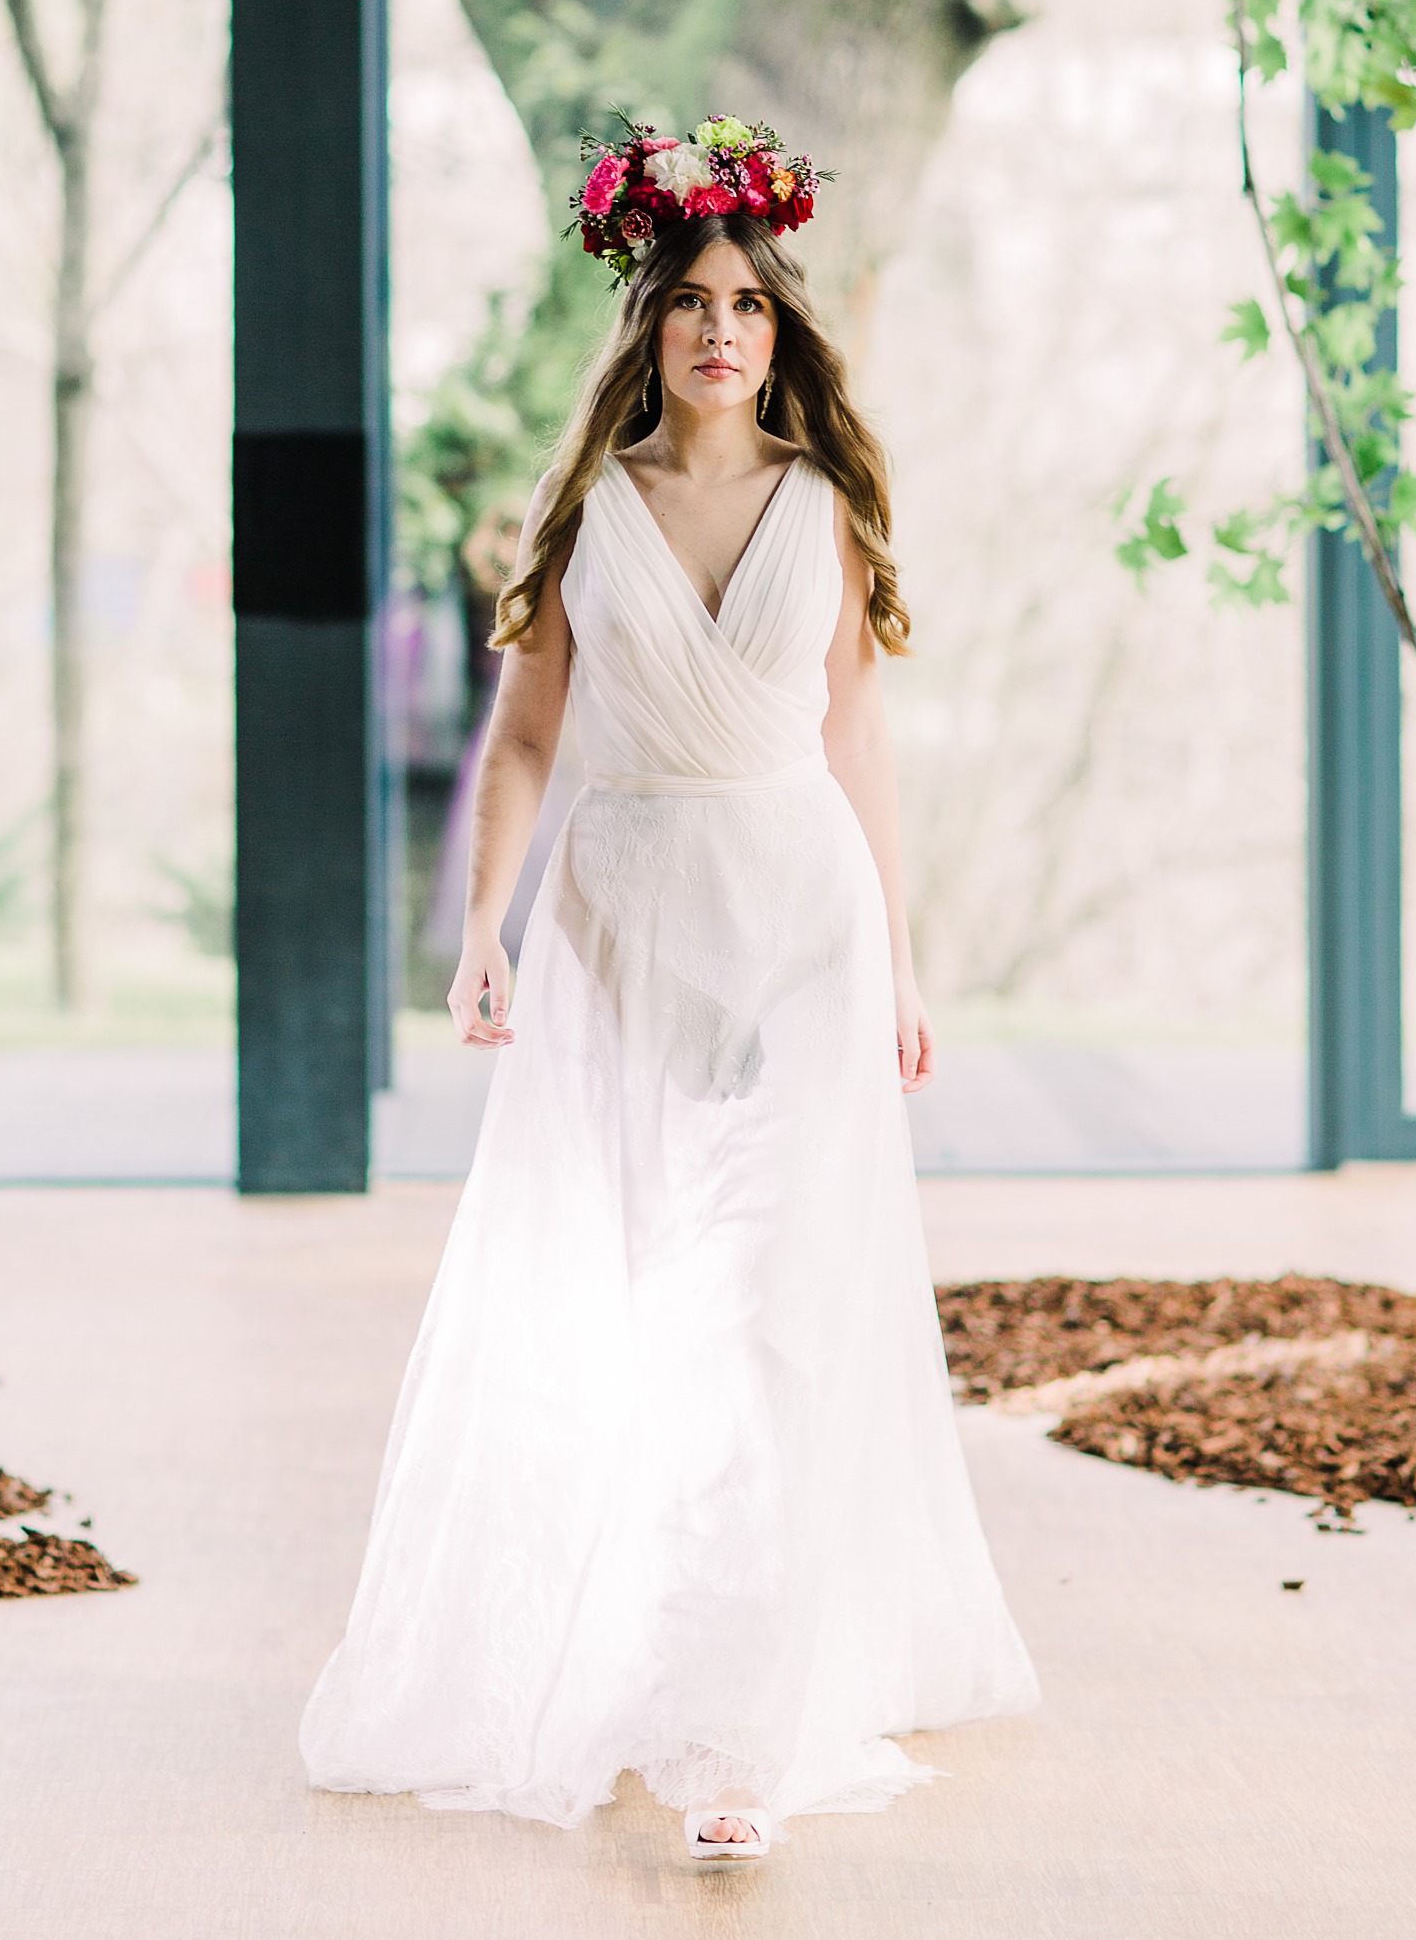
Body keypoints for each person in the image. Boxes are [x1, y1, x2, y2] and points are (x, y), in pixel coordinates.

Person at [301, 119, 1037, 1865]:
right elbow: (527, 737)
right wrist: (480, 927)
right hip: (621, 929)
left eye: (749, 306)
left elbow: (857, 736)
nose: (722, 331)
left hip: (802, 926)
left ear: (781, 334)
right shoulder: (589, 515)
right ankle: (624, 1648)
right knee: (628, 1307)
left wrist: (910, 962)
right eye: (692, 302)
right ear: (649, 326)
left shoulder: (830, 512)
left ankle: (739, 1729)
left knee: (765, 1314)